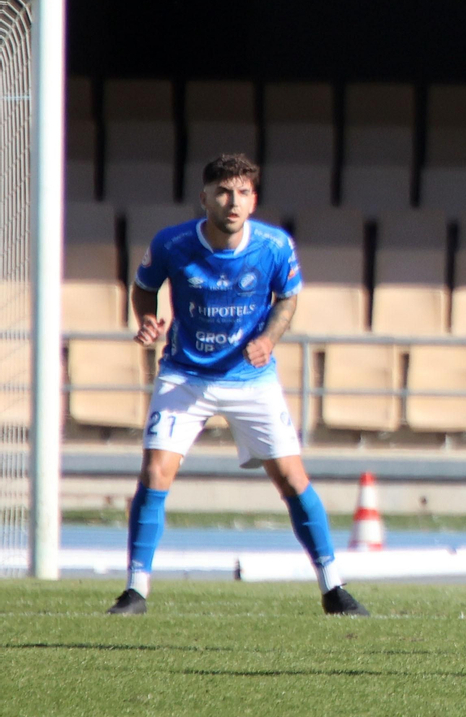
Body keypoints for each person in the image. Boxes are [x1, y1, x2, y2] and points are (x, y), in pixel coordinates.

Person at [106, 154, 367, 617]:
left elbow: (287, 297)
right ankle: (135, 591)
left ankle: (334, 588)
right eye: (224, 191)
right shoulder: (172, 243)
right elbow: (144, 286)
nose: (233, 201)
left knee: (291, 478)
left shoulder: (274, 246)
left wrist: (268, 339)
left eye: (243, 192)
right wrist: (147, 319)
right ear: (204, 197)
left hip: (251, 379)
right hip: (185, 374)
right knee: (154, 474)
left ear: (254, 200)